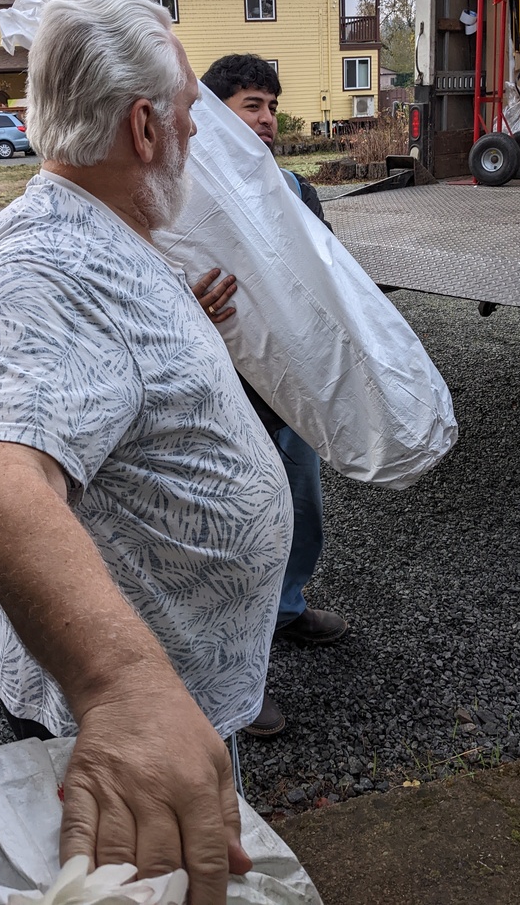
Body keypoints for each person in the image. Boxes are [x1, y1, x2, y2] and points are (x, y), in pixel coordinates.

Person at [0, 0, 294, 905]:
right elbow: (2, 487)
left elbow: (112, 381)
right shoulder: (44, 262)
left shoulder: (108, 226)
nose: (200, 129)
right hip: (110, 734)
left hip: (175, 704)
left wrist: (188, 325)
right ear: (144, 126)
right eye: (191, 109)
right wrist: (125, 691)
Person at [195, 54, 349, 739]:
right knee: (231, 537)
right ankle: (232, 680)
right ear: (212, 113)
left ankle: (286, 608)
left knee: (301, 508)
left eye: (271, 108)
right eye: (252, 105)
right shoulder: (185, 196)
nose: (267, 120)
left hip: (293, 391)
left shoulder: (295, 190)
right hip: (222, 400)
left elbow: (328, 279)